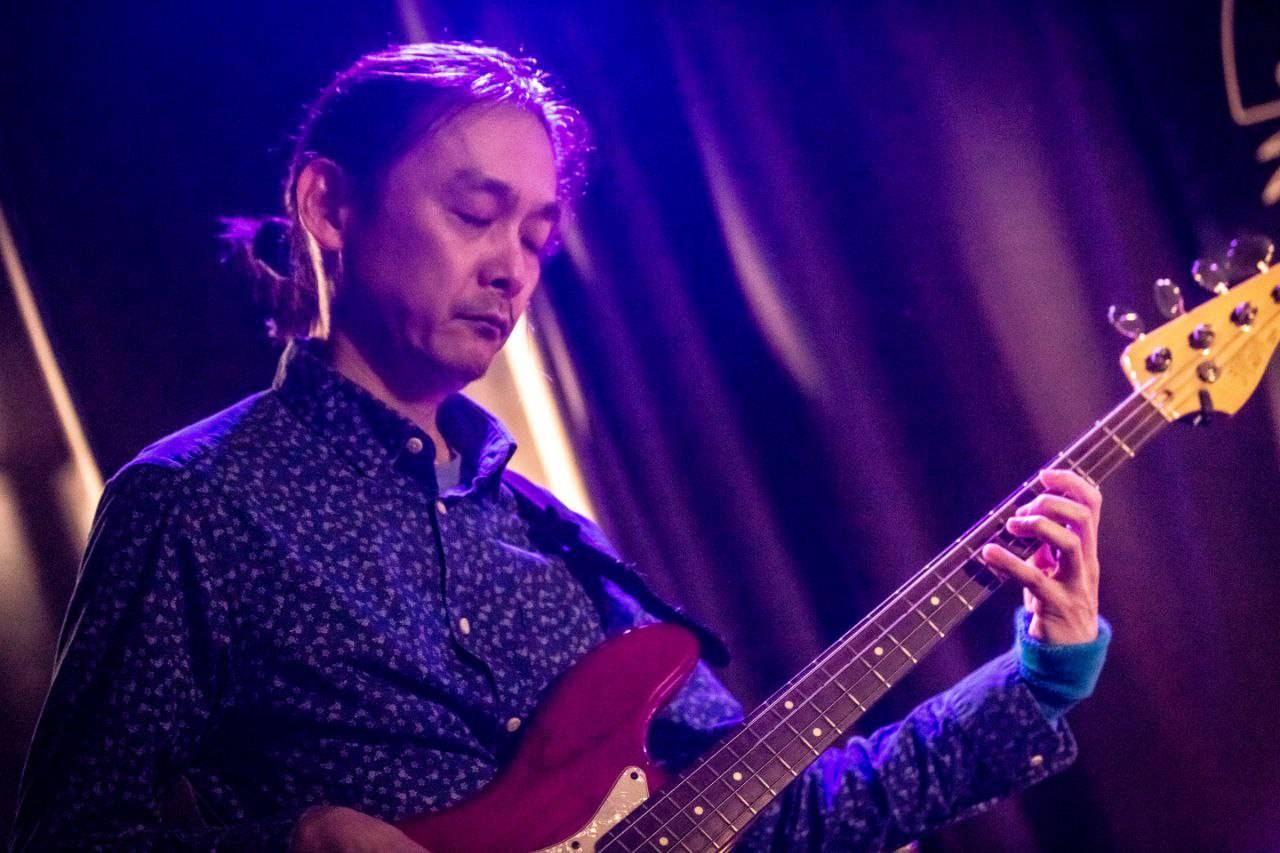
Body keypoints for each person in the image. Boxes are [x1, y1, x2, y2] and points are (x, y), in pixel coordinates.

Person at [11, 42, 1110, 852]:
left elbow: (768, 813)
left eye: (537, 236)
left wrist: (1040, 676)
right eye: (474, 214)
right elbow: (72, 838)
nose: (512, 267)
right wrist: (295, 843)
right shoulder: (194, 502)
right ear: (329, 204)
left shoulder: (553, 541)